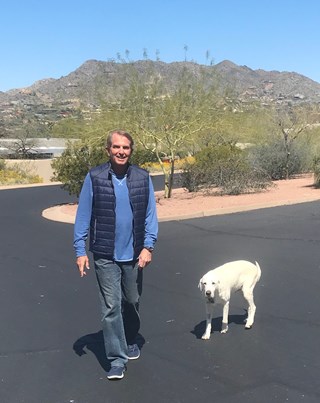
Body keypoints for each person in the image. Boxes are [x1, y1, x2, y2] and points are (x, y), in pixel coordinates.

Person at [73, 129, 158, 380]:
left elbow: (151, 215)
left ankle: (130, 337)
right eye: (116, 147)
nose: (121, 151)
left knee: (131, 300)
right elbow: (83, 215)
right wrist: (80, 250)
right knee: (111, 306)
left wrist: (148, 246)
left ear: (131, 151)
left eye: (126, 147)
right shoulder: (95, 177)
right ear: (108, 150)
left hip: (134, 253)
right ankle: (117, 358)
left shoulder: (142, 177)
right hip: (104, 254)